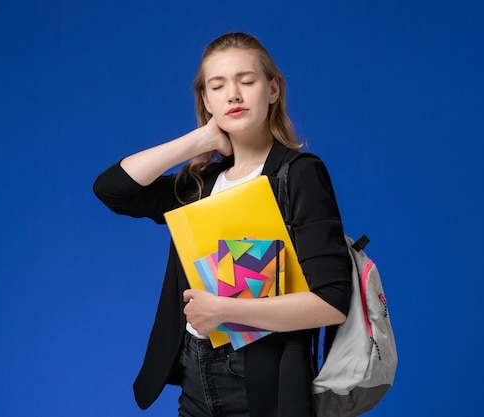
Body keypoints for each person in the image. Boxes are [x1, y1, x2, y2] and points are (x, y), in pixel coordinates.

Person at [93, 32, 351, 417]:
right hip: (196, 381)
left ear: (273, 89)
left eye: (247, 81)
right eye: (218, 85)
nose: (233, 94)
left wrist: (223, 311)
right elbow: (112, 189)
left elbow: (331, 302)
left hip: (261, 386)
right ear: (206, 99)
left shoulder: (297, 175)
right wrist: (199, 140)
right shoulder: (202, 184)